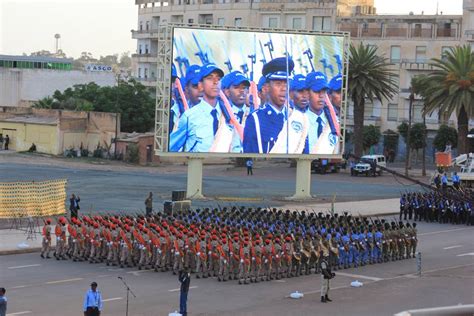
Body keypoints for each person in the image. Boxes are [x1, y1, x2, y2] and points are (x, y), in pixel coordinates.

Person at [243, 57, 295, 154]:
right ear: (267, 87)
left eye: (286, 83)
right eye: (278, 84)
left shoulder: (295, 118)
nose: (284, 89)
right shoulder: (255, 120)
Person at [169, 63, 225, 153]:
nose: (215, 82)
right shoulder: (188, 117)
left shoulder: (229, 115)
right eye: (210, 78)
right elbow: (171, 148)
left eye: (218, 79)